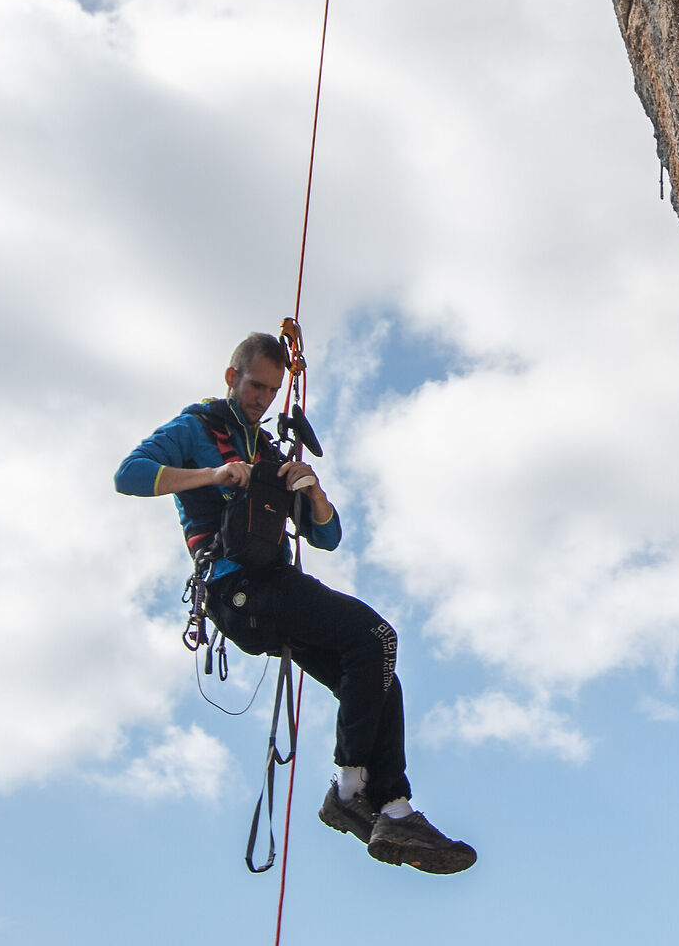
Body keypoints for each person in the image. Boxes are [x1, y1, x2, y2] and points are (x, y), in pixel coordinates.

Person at [114, 333, 476, 874]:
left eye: (272, 390)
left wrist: (313, 495)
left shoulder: (269, 453)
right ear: (231, 376)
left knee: (378, 674)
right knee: (376, 637)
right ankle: (355, 791)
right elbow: (130, 475)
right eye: (255, 385)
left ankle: (390, 807)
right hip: (238, 588)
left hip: (272, 587)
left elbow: (327, 539)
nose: (262, 398)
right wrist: (213, 475)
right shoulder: (196, 429)